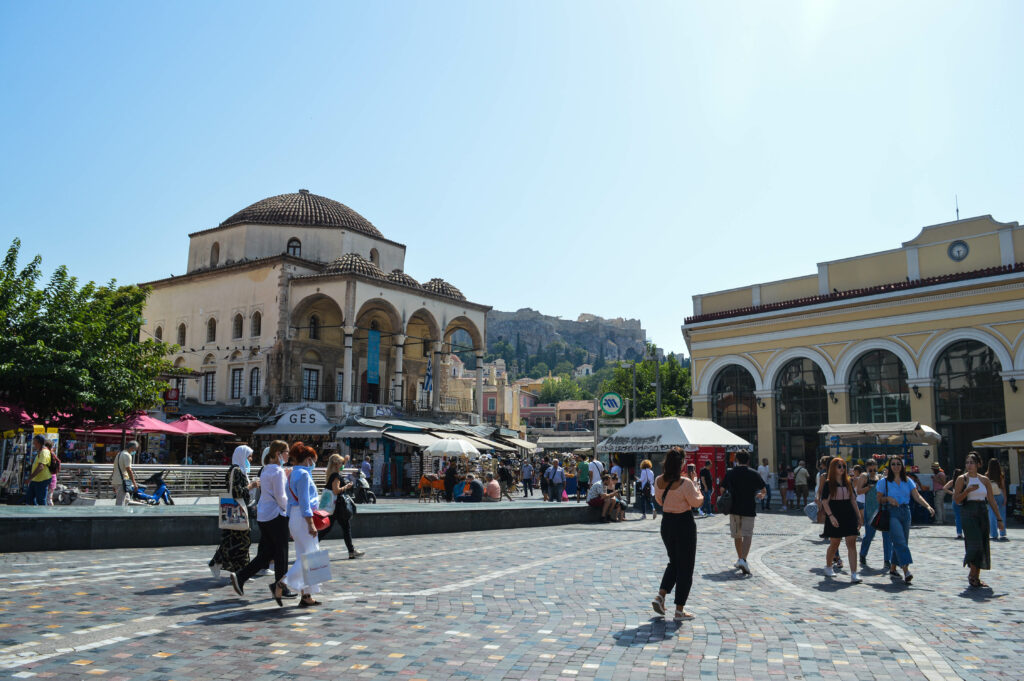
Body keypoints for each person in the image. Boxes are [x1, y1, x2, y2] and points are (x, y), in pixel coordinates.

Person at [231, 440, 294, 599]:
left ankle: (242, 576)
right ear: (279, 453)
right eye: (286, 452)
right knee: (281, 552)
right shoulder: (278, 471)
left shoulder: (266, 469)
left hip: (264, 515)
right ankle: (280, 586)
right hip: (276, 515)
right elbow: (281, 496)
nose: (288, 454)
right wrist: (288, 512)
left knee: (269, 552)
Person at [651, 447, 704, 622]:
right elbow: (696, 502)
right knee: (686, 567)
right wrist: (697, 486)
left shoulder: (659, 480)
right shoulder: (685, 483)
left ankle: (660, 595)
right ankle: (679, 610)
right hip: (684, 524)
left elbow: (659, 501)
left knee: (674, 562)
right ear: (681, 464)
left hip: (667, 524)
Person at [278, 443, 323, 607]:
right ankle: (283, 582)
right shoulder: (304, 475)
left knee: (303, 554)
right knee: (311, 556)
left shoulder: (291, 474)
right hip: (305, 517)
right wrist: (311, 524)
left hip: (294, 518)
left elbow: (290, 503)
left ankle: (306, 595)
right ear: (308, 459)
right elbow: (305, 503)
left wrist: (290, 523)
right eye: (313, 460)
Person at [877, 455, 934, 584]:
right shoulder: (884, 482)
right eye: (893, 464)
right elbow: (878, 499)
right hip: (892, 512)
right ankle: (906, 570)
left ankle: (892, 568)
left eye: (898, 464)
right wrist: (888, 499)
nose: (896, 466)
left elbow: (917, 496)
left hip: (905, 512)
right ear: (889, 466)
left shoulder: (907, 480)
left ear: (902, 466)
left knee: (902, 542)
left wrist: (928, 506)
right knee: (900, 541)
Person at [954, 452, 1005, 588]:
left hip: (982, 511)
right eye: (967, 463)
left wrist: (999, 519)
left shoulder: (984, 480)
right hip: (968, 511)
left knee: (982, 544)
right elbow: (956, 499)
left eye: (972, 463)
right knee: (974, 543)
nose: (969, 465)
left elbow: (992, 500)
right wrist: (967, 491)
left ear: (978, 465)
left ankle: (976, 577)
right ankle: (972, 573)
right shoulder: (962, 479)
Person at [210, 445, 259, 579]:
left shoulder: (239, 470)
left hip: (237, 510)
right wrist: (251, 486)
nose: (251, 459)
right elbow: (236, 492)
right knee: (241, 541)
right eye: (249, 456)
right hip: (237, 510)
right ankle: (239, 572)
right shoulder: (236, 471)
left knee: (233, 540)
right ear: (242, 456)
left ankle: (236, 571)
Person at [721, 450, 766, 575]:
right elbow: (763, 490)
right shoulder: (754, 473)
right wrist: (759, 495)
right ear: (748, 460)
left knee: (737, 535)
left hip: (734, 508)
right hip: (749, 508)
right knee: (747, 535)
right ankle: (743, 559)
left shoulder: (731, 473)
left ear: (736, 460)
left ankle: (740, 558)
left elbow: (722, 489)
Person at [820, 457, 864, 583]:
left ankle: (854, 573)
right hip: (835, 514)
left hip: (849, 514)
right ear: (833, 468)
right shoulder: (829, 484)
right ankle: (828, 566)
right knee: (835, 543)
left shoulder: (848, 482)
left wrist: (859, 516)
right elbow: (825, 502)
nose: (842, 468)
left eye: (844, 466)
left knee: (851, 543)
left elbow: (853, 500)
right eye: (839, 466)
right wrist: (831, 516)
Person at [317, 454, 364, 559]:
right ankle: (351, 551)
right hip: (337, 506)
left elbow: (340, 464)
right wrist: (347, 486)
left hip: (335, 506)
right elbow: (336, 490)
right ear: (336, 464)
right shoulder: (336, 476)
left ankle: (351, 551)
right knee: (341, 528)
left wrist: (346, 459)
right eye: (341, 464)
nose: (343, 465)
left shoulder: (332, 474)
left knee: (331, 528)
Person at [855, 459, 889, 569]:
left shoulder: (880, 477)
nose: (873, 471)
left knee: (887, 535)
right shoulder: (864, 476)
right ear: (867, 468)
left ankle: (887, 559)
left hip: (881, 509)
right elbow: (859, 491)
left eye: (875, 468)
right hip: (870, 510)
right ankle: (863, 554)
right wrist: (868, 487)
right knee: (870, 534)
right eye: (871, 469)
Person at [25, 435, 54, 506]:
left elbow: (41, 467)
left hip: (42, 479)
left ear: (38, 442)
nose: (33, 444)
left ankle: (43, 515)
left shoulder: (44, 452)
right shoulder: (40, 451)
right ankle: (33, 513)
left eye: (34, 442)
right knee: (29, 498)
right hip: (36, 479)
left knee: (41, 500)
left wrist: (29, 478)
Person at [109, 441, 139, 506]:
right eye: (135, 449)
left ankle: (125, 514)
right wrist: (134, 483)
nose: (135, 451)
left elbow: (114, 468)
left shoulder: (119, 454)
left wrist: (112, 481)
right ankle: (119, 515)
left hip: (116, 480)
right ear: (131, 448)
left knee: (127, 499)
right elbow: (129, 469)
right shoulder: (127, 455)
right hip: (122, 482)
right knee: (120, 502)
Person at [985, 458, 1008, 541]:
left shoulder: (987, 475)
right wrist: (1005, 498)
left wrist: (987, 497)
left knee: (992, 515)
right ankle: (1002, 533)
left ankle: (994, 534)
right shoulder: (1000, 475)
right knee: (1002, 515)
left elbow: (986, 488)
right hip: (1000, 495)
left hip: (992, 497)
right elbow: (1003, 487)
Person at [943, 469, 964, 539]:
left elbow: (944, 488)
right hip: (963, 499)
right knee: (965, 516)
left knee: (958, 517)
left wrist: (952, 493)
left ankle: (959, 533)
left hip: (955, 499)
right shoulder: (964, 481)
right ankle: (966, 531)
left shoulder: (953, 481)